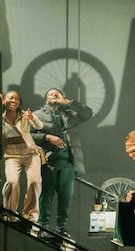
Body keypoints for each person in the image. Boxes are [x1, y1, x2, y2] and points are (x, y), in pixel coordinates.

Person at [31, 88, 93, 237]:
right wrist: (47, 137)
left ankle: (62, 228)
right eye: (50, 94)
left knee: (65, 196)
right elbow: (28, 134)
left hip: (68, 162)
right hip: (48, 160)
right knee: (47, 194)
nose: (53, 96)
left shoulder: (69, 115)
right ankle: (43, 226)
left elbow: (87, 113)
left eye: (57, 94)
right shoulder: (37, 115)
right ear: (46, 99)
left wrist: (66, 102)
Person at [0, 91, 44, 222]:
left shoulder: (24, 116)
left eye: (16, 99)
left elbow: (40, 126)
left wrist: (33, 118)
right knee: (12, 182)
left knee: (34, 181)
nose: (13, 101)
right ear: (4, 101)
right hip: (11, 155)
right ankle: (10, 213)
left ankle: (30, 215)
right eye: (11, 98)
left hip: (30, 153)